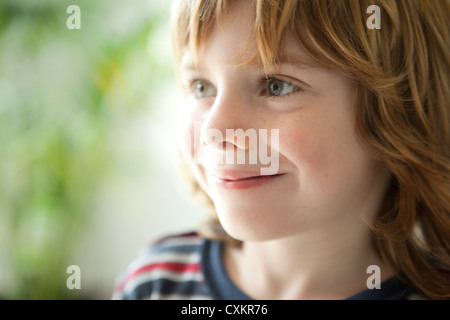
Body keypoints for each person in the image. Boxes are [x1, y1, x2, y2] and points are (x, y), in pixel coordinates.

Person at [113, 0, 450, 300]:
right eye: (202, 87)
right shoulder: (155, 282)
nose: (214, 132)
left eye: (277, 86)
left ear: (397, 114)